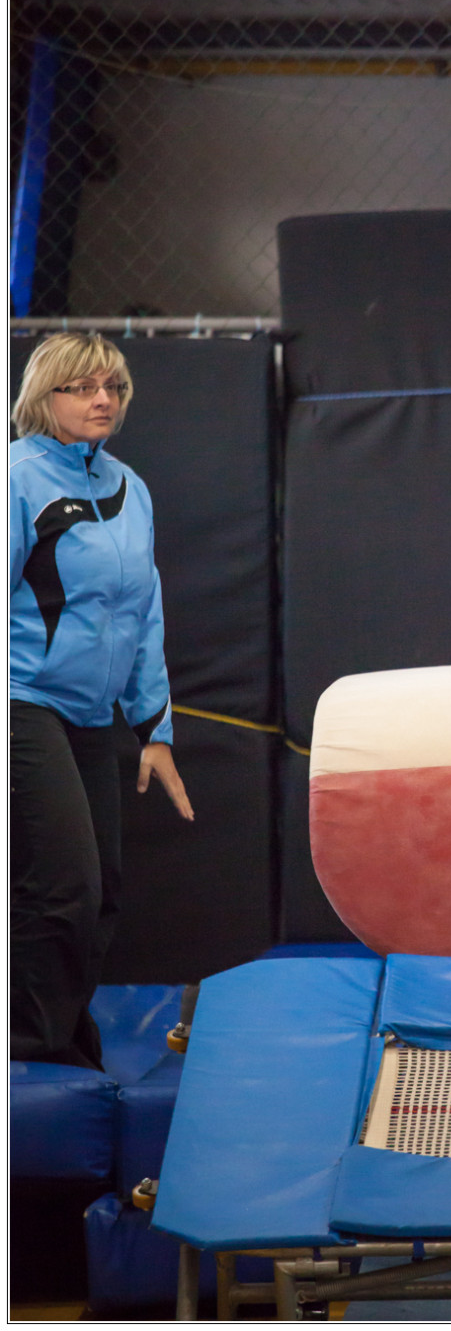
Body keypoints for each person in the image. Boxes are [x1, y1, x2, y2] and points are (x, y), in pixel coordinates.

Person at [10, 332, 192, 1071]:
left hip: (88, 713)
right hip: (21, 700)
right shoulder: (18, 478)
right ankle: (30, 1055)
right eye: (83, 387)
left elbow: (144, 611)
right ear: (43, 395)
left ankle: (61, 1045)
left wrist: (154, 729)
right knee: (64, 885)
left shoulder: (129, 487)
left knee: (101, 894)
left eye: (112, 387)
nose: (102, 400)